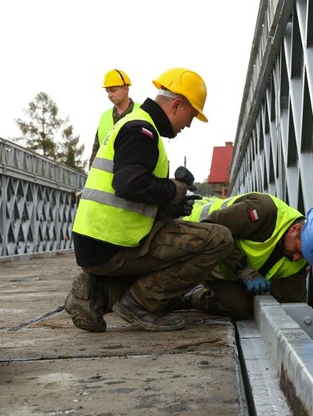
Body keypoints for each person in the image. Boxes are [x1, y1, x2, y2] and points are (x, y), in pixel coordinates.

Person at [65, 67, 235, 333]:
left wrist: (168, 204)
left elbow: (131, 188)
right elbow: (128, 183)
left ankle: (99, 292)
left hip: (97, 243)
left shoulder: (134, 124)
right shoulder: (141, 130)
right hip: (114, 243)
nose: (188, 125)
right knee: (218, 239)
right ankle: (139, 305)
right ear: (176, 105)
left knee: (174, 246)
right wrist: (173, 191)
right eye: (190, 116)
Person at [172, 192, 313, 320]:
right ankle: (182, 289)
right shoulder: (263, 210)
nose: (296, 258)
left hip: (221, 271)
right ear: (294, 229)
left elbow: (295, 304)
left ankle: (192, 296)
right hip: (188, 244)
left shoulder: (300, 259)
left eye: (304, 256)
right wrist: (244, 269)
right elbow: (211, 230)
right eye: (298, 251)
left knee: (239, 308)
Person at [88, 69, 140, 166]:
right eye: (107, 91)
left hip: (134, 176)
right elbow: (96, 150)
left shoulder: (141, 112)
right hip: (108, 178)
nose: (109, 95)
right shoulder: (105, 117)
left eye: (113, 91)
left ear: (126, 88)